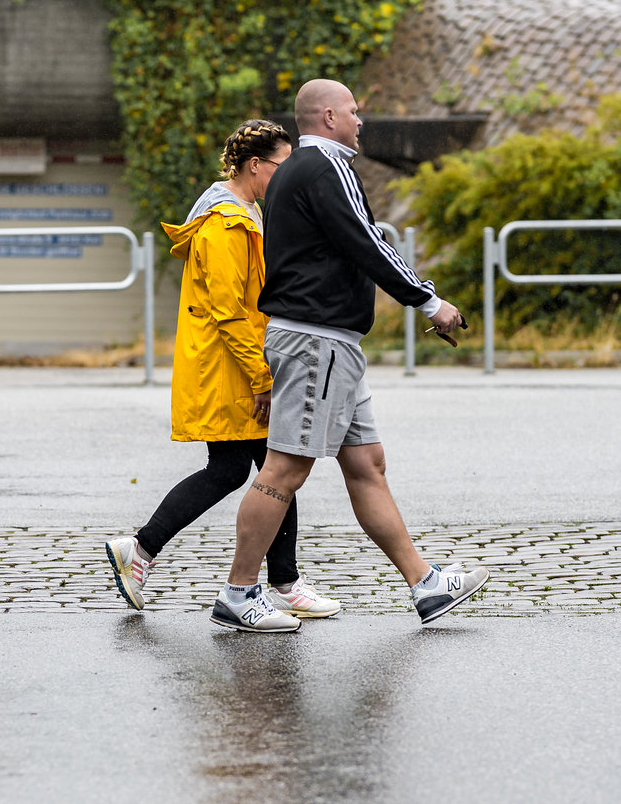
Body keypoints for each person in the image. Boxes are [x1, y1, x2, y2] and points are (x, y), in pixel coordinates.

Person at [210, 81, 489, 633]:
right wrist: (428, 300)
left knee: (367, 464)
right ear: (330, 116)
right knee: (285, 469)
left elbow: (349, 244)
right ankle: (239, 593)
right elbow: (367, 241)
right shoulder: (324, 166)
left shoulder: (298, 171)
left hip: (331, 343)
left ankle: (425, 584)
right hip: (317, 342)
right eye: (356, 113)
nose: (362, 123)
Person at [105, 120, 341, 619]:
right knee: (273, 470)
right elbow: (231, 310)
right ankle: (275, 581)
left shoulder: (241, 213)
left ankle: (275, 579)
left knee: (256, 470)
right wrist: (261, 377)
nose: (289, 174)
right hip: (233, 368)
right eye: (283, 164)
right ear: (256, 165)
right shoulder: (227, 224)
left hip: (235, 362)